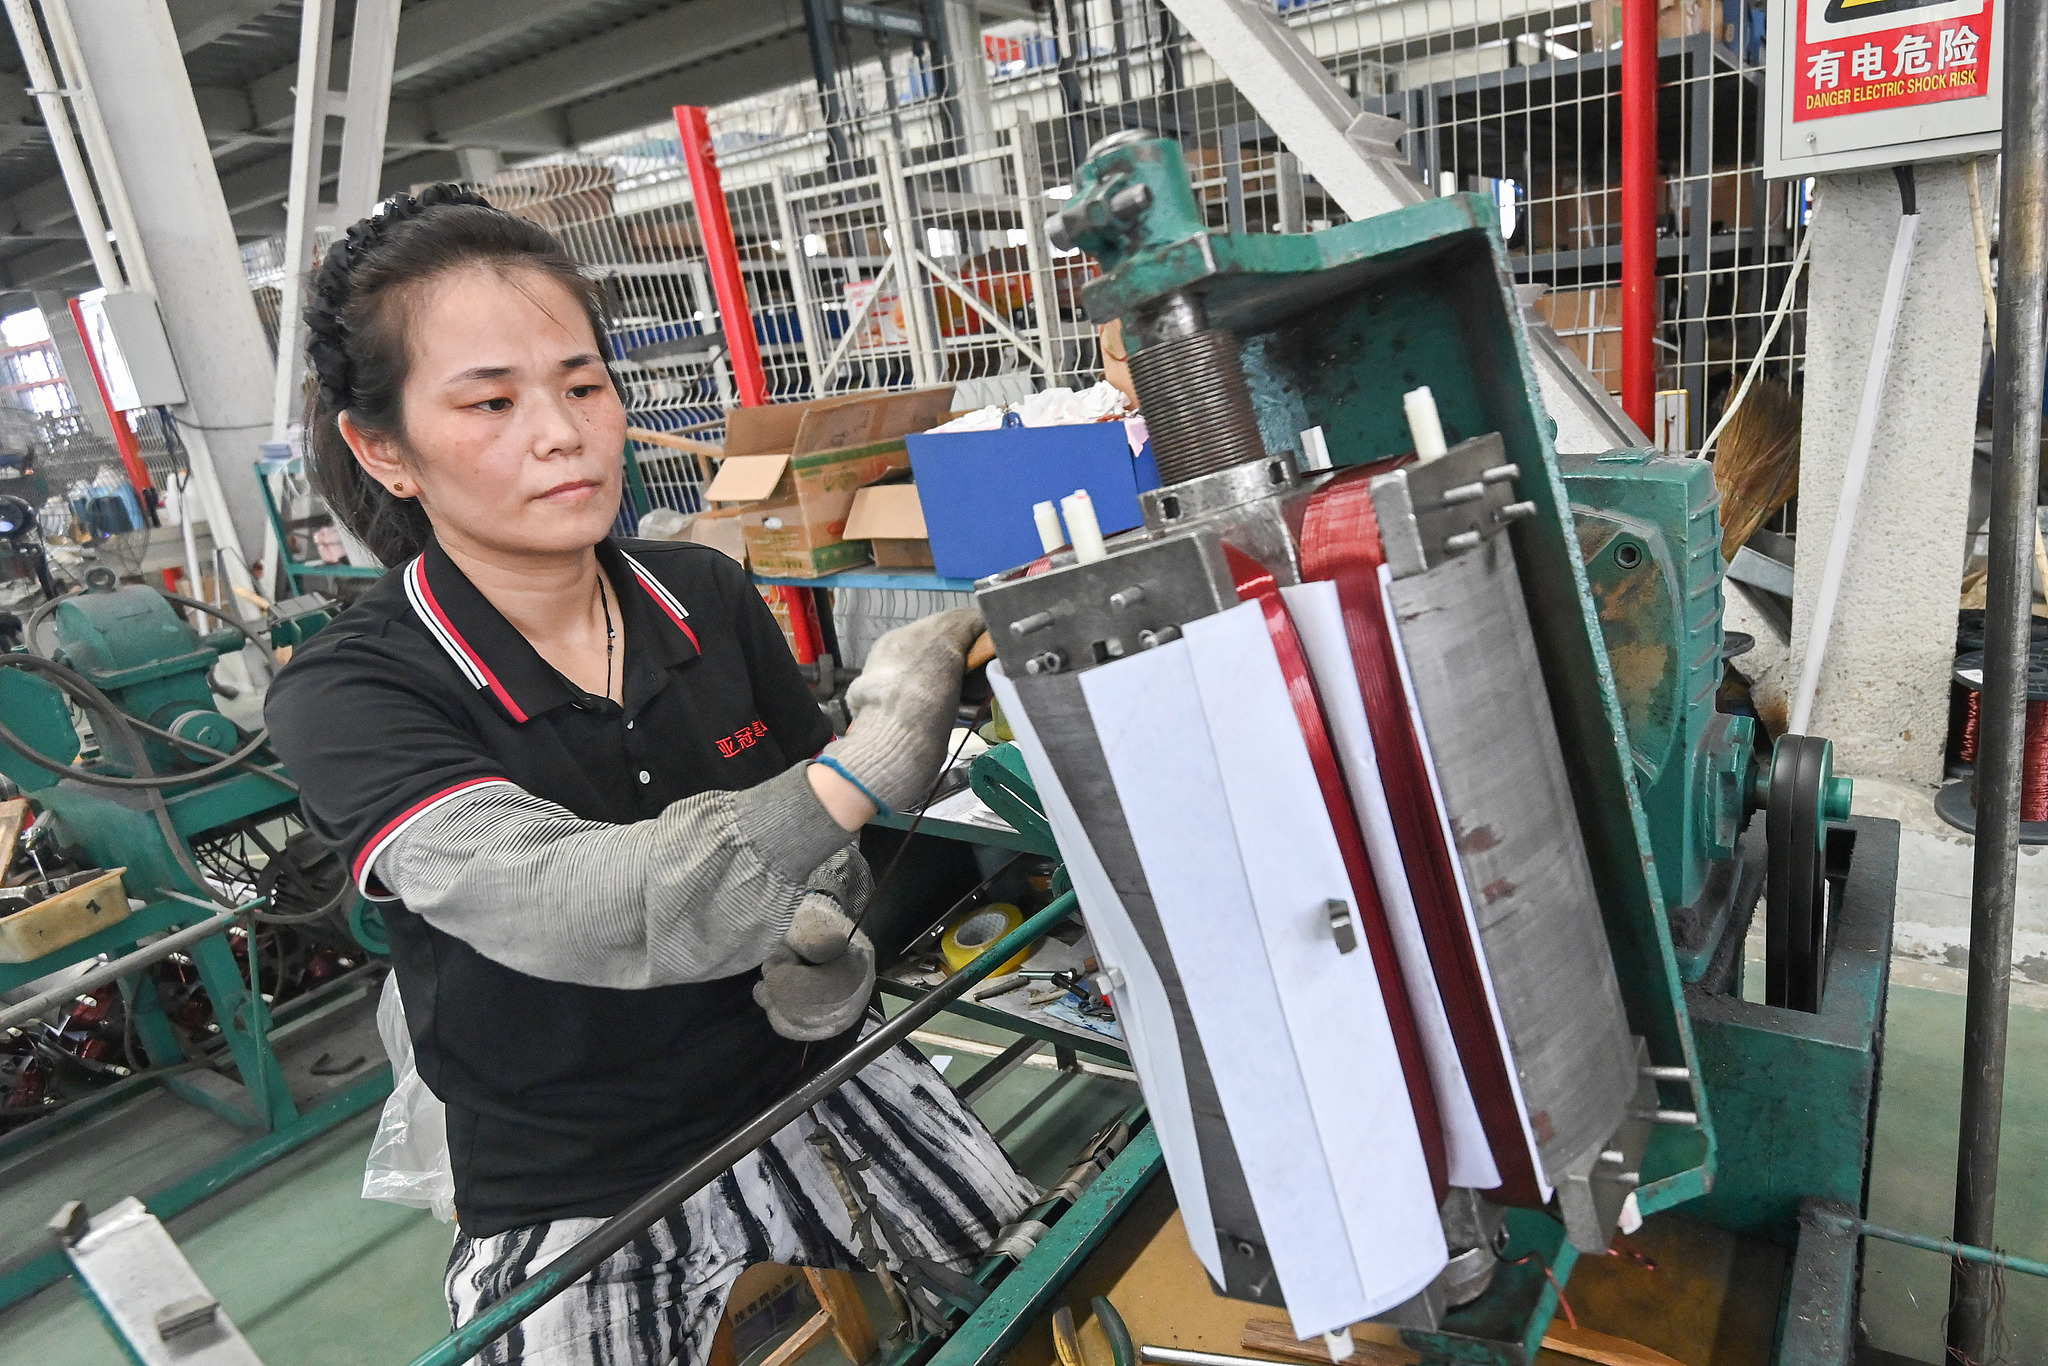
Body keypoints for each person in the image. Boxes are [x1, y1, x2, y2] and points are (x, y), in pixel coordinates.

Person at [264, 185, 1035, 1366]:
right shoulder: (353, 692)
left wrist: (828, 926)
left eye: (582, 385)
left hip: (807, 1070)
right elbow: (585, 903)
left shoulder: (707, 592)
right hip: (581, 1162)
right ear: (385, 449)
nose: (562, 431)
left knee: (1036, 1278)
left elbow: (813, 839)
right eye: (490, 401)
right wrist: (869, 763)